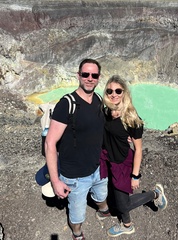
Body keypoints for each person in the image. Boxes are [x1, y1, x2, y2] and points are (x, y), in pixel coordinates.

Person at [45, 59, 112, 240]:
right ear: (79, 75)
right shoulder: (67, 104)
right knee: (77, 213)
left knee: (101, 195)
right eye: (85, 74)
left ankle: (103, 211)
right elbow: (50, 143)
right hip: (75, 176)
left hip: (98, 168)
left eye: (94, 75)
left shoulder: (98, 99)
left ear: (99, 78)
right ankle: (77, 233)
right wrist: (55, 181)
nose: (89, 78)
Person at [100, 75, 168, 237]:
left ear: (125, 93)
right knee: (115, 195)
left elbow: (138, 149)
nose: (113, 94)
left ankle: (154, 195)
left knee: (123, 204)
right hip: (107, 159)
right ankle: (126, 222)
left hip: (122, 163)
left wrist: (135, 175)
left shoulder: (131, 118)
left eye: (118, 91)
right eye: (110, 91)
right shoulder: (105, 111)